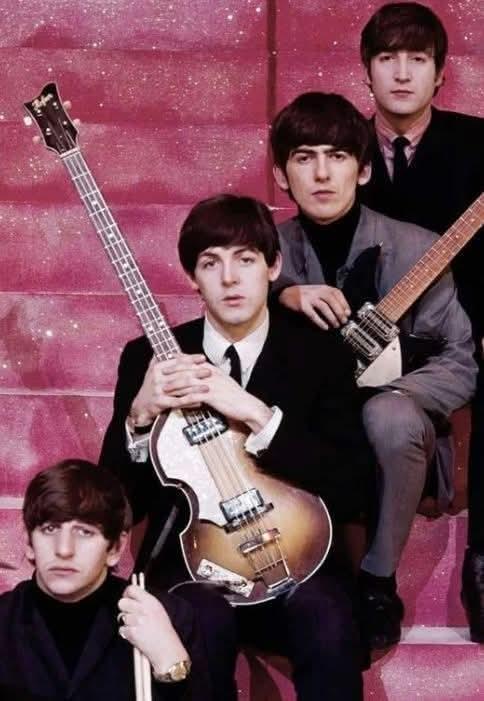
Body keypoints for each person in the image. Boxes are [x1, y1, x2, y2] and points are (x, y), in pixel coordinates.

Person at [100, 193, 374, 700]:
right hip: (195, 568)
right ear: (192, 277)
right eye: (211, 263)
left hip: (298, 560)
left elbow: (353, 485)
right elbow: (113, 507)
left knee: (327, 617)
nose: (229, 278)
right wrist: (138, 417)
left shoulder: (320, 355)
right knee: (196, 619)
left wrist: (255, 413)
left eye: (245, 260)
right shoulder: (146, 358)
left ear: (273, 267)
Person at [270, 90, 477, 649]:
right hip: (296, 429)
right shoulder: (262, 254)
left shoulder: (417, 248)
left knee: (389, 416)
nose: (322, 174)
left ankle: (378, 583)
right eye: (305, 158)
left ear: (363, 171)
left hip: (389, 425)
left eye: (337, 157)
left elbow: (460, 360)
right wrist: (283, 294)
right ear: (281, 174)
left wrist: (386, 391)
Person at [358, 1, 484, 641]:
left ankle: (483, 566)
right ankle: (352, 578)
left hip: (467, 326)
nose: (402, 73)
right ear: (367, 71)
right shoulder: (340, 146)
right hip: (367, 334)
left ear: (441, 73)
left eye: (417, 59)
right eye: (388, 58)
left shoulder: (479, 143)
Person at [0, 459, 210, 700]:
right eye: (50, 529)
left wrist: (171, 665)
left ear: (116, 548)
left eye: (85, 532)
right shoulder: (4, 619)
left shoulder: (171, 617)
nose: (64, 549)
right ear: (29, 542)